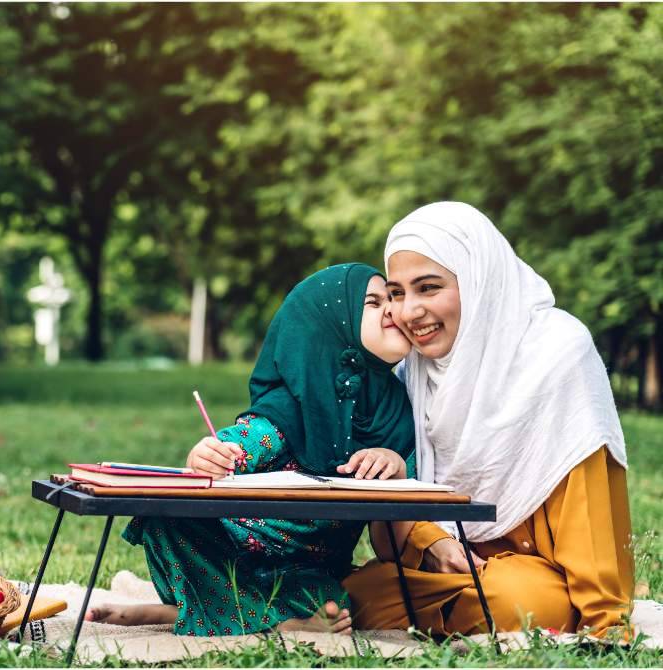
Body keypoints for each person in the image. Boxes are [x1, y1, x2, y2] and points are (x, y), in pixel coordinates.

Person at [344, 202, 633, 638]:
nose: (408, 312)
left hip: (541, 572)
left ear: (478, 280)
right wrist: (436, 543)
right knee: (351, 592)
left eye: (428, 287)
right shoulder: (414, 371)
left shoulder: (556, 351)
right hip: (442, 569)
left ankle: (432, 612)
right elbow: (399, 520)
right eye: (398, 293)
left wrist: (606, 621)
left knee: (526, 602)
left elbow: (588, 502)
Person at [87, 262, 416, 636]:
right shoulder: (290, 410)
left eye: (392, 297)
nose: (392, 308)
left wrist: (398, 467)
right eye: (373, 302)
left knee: (338, 601)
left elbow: (418, 492)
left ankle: (186, 613)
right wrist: (210, 454)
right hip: (217, 557)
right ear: (332, 327)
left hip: (306, 575)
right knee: (167, 519)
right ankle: (280, 625)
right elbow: (242, 443)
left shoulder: (400, 413)